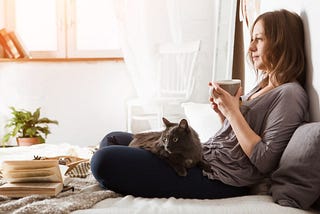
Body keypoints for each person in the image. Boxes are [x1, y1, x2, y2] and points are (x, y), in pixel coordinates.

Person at [90, 9, 308, 199]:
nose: (251, 47)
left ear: (281, 42)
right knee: (111, 140)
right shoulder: (263, 84)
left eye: (258, 39)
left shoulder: (291, 94)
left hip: (218, 176)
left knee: (103, 160)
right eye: (252, 39)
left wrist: (233, 112)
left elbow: (264, 160)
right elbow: (236, 136)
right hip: (202, 154)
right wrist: (223, 113)